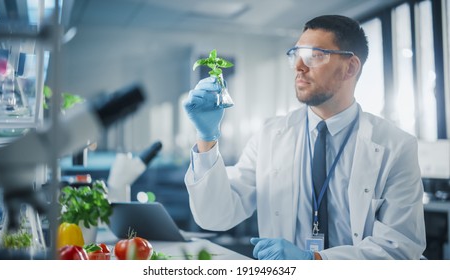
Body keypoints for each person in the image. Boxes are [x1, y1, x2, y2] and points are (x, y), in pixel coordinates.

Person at [182, 15, 426, 260]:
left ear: (350, 67)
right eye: (295, 54)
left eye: (314, 55)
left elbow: (400, 247)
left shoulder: (396, 146)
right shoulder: (270, 136)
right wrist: (207, 137)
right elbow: (216, 215)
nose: (299, 65)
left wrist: (316, 263)